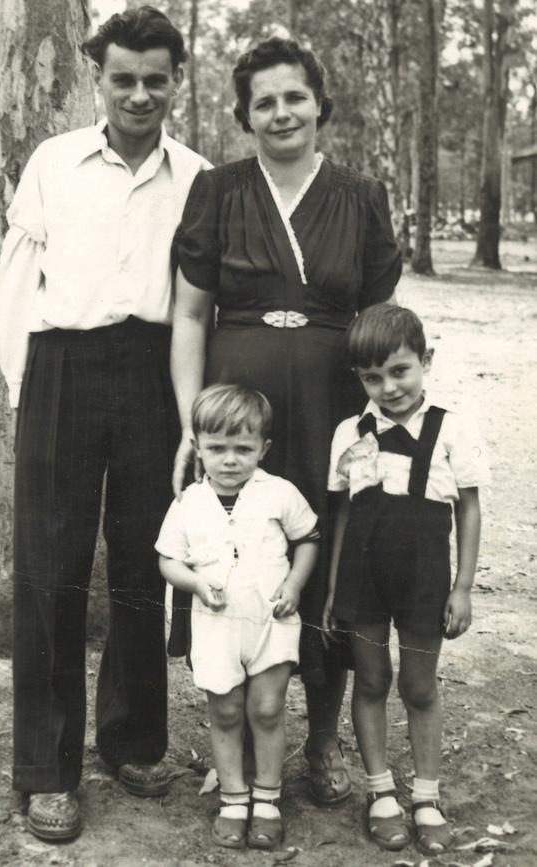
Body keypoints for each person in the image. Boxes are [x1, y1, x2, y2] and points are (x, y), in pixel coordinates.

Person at [0, 6, 209, 841]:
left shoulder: (197, 175)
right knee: (50, 564)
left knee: (140, 562)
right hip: (63, 365)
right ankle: (47, 768)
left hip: (153, 370)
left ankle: (132, 739)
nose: (140, 93)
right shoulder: (53, 162)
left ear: (174, 81)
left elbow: (203, 298)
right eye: (124, 77)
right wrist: (29, 386)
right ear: (98, 76)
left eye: (156, 79)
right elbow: (17, 281)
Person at [169, 37, 402, 806]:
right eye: (264, 101)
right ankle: (231, 740)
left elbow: (377, 322)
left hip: (333, 411)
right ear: (245, 114)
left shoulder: (361, 195)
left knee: (327, 560)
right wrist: (190, 424)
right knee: (240, 563)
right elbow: (192, 314)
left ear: (318, 104)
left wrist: (381, 419)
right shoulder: (219, 189)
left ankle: (322, 744)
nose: (280, 112)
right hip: (241, 410)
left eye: (293, 96)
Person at [323, 304, 489, 854]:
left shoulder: (450, 428)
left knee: (418, 685)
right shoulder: (351, 431)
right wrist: (332, 590)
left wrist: (462, 586)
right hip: (363, 580)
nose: (388, 387)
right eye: (373, 377)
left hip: (424, 579)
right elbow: (343, 511)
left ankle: (425, 795)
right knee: (370, 681)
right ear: (359, 378)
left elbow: (468, 509)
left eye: (399, 371)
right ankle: (380, 792)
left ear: (426, 361)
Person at [156, 384, 320, 849]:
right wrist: (193, 585)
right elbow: (168, 560)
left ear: (263, 448)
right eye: (217, 449)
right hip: (215, 624)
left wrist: (294, 585)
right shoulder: (189, 502)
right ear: (198, 448)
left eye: (243, 449)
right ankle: (233, 797)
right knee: (225, 710)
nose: (230, 460)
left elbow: (308, 537)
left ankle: (267, 798)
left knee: (267, 709)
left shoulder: (279, 494)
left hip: (271, 621)